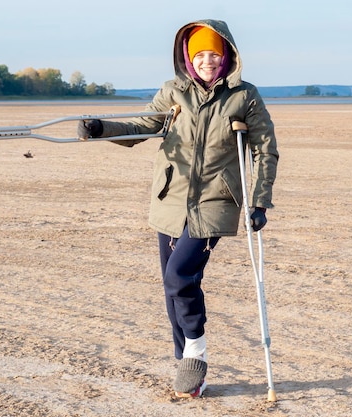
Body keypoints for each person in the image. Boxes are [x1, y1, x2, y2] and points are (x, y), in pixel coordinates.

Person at [78, 19, 278, 398]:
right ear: (188, 57)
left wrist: (260, 200)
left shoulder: (244, 96)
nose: (207, 61)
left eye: (214, 55)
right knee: (172, 286)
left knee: (179, 277)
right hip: (170, 200)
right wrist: (102, 129)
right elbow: (145, 125)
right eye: (200, 54)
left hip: (215, 202)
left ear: (227, 57)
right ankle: (185, 357)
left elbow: (264, 150)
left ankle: (196, 354)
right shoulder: (174, 92)